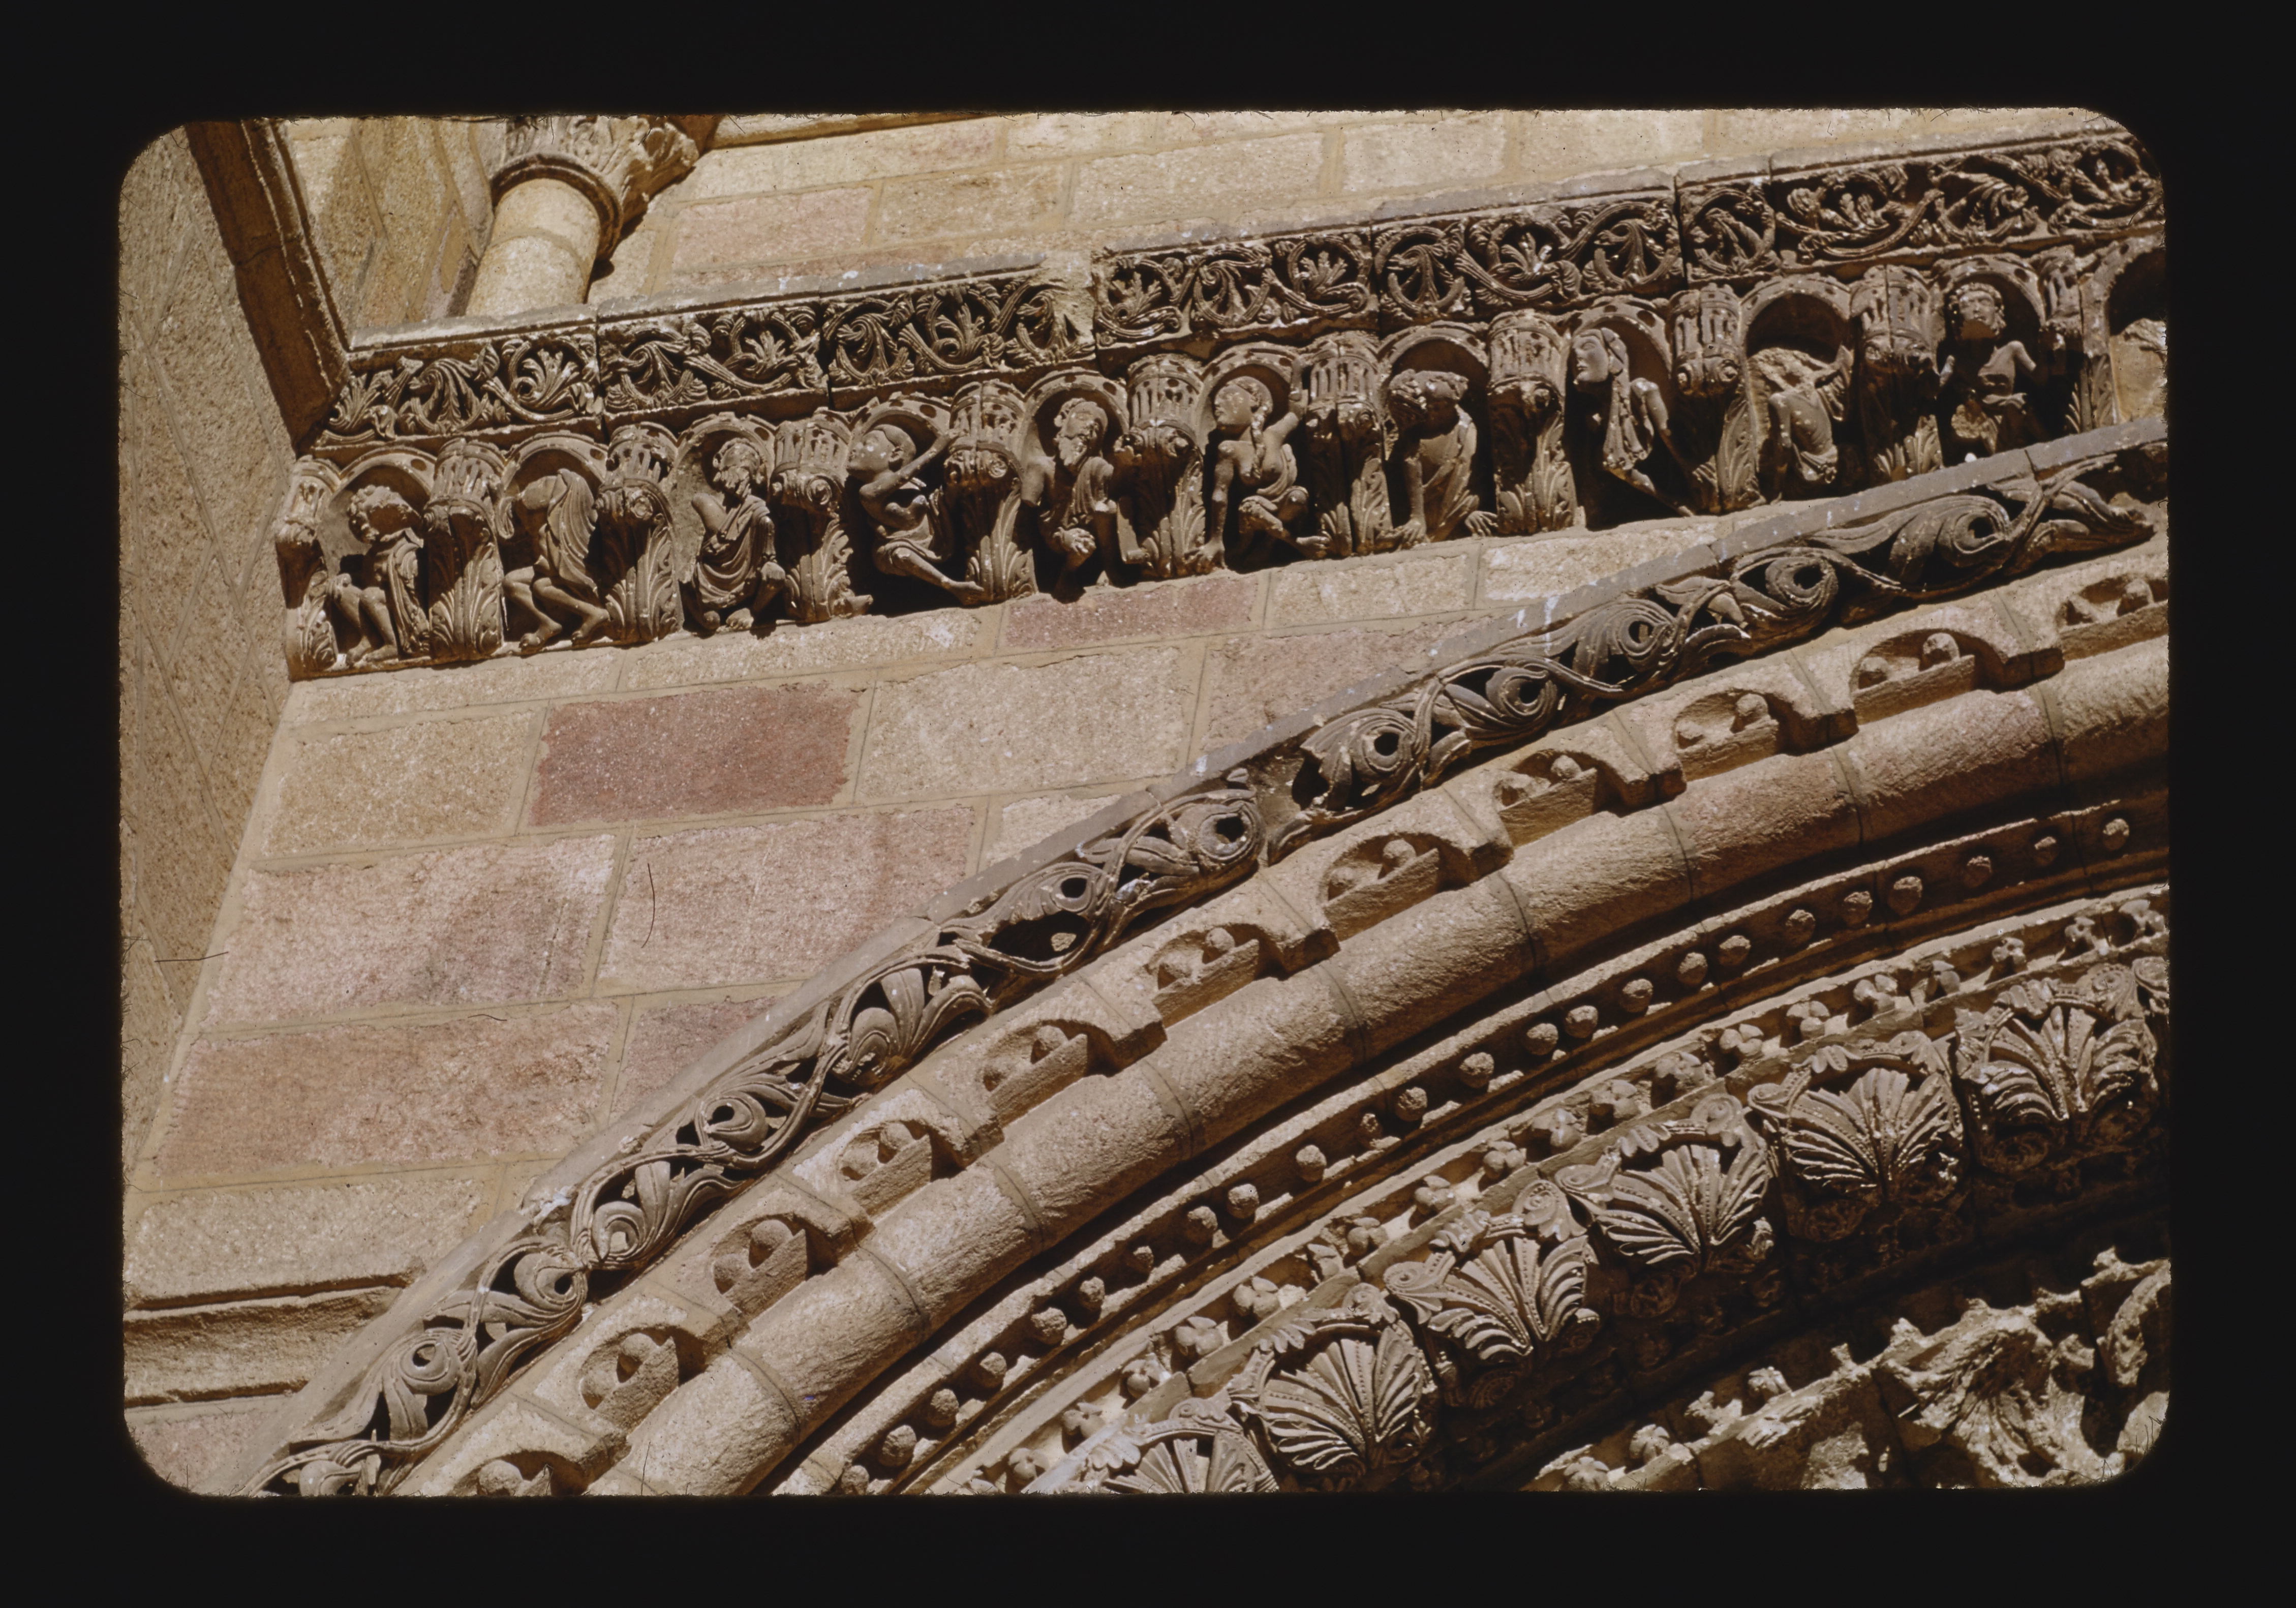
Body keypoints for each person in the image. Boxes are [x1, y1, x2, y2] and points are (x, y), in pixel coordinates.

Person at [1207, 376, 1314, 564]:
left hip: (1285, 502)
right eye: (1217, 400)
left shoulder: (1273, 435)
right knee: (1252, 510)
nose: (1218, 404)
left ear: (1254, 401)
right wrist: (1216, 539)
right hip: (1254, 510)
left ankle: (1269, 543)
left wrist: (1298, 372)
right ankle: (1293, 542)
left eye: (1226, 396)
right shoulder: (1229, 449)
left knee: (1297, 498)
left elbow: (1296, 413)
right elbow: (1220, 494)